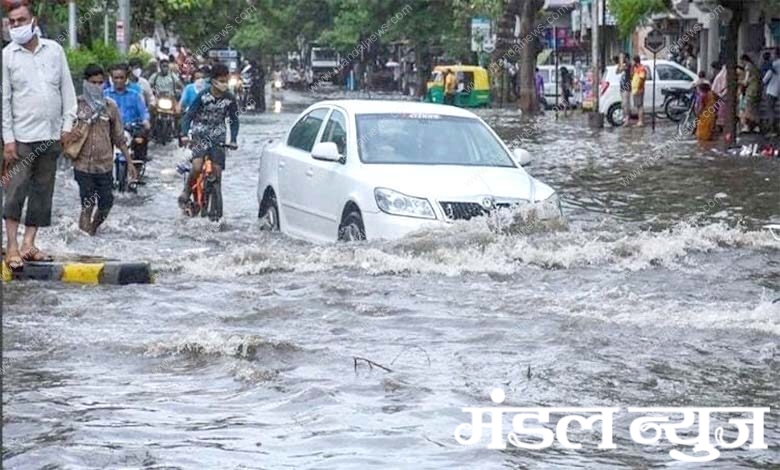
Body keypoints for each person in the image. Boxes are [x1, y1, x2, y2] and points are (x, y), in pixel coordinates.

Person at [2, 0, 78, 268]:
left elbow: (67, 91)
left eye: (21, 20)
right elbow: (5, 100)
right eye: (12, 22)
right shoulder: (8, 56)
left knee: (43, 191)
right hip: (21, 138)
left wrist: (67, 125)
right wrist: (8, 139)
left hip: (51, 135)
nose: (16, 26)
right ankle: (11, 247)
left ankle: (29, 244)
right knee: (15, 191)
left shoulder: (54, 51)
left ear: (33, 21)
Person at [74, 64, 136, 235]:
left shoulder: (110, 107)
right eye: (93, 82)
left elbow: (119, 137)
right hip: (83, 165)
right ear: (86, 83)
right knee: (87, 204)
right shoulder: (75, 105)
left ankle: (92, 230)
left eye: (100, 82)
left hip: (105, 165)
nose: (97, 86)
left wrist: (129, 163)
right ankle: (84, 242)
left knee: (106, 204)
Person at [177, 63, 239, 209]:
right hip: (200, 133)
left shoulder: (230, 98)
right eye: (221, 80)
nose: (224, 84)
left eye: (226, 80)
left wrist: (234, 139)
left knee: (217, 172)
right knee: (197, 166)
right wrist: (185, 134)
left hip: (218, 135)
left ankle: (215, 202)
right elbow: (188, 116)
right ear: (213, 80)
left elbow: (234, 120)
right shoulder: (202, 96)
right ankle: (187, 189)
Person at [104, 64, 151, 131]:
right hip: (111, 132)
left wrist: (145, 121)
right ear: (112, 79)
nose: (119, 81)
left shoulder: (135, 95)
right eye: (116, 78)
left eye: (121, 77)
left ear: (126, 78)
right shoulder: (105, 95)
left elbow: (143, 113)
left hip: (131, 131)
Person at [740, 54, 761, 133]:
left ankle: (749, 125)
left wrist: (739, 82)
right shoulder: (754, 67)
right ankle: (756, 126)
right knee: (754, 108)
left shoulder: (748, 67)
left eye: (742, 61)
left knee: (748, 108)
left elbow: (745, 81)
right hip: (757, 90)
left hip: (750, 91)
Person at [762, 48, 780, 135]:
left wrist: (762, 81)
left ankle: (772, 129)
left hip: (771, 89)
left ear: (776, 54)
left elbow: (766, 78)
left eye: (773, 54)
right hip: (777, 89)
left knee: (770, 110)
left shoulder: (774, 65)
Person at [631, 56, 647, 127]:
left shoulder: (641, 68)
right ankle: (639, 121)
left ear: (635, 61)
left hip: (639, 89)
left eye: (633, 61)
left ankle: (640, 121)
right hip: (635, 89)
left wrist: (639, 89)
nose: (632, 62)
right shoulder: (636, 68)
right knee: (638, 106)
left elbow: (641, 79)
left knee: (640, 106)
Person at [618, 52, 632, 126]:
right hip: (622, 85)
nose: (621, 58)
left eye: (622, 57)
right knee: (623, 104)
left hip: (627, 84)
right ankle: (625, 118)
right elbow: (617, 71)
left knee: (626, 103)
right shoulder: (621, 65)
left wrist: (621, 61)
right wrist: (620, 63)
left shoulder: (628, 64)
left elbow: (622, 69)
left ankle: (627, 119)